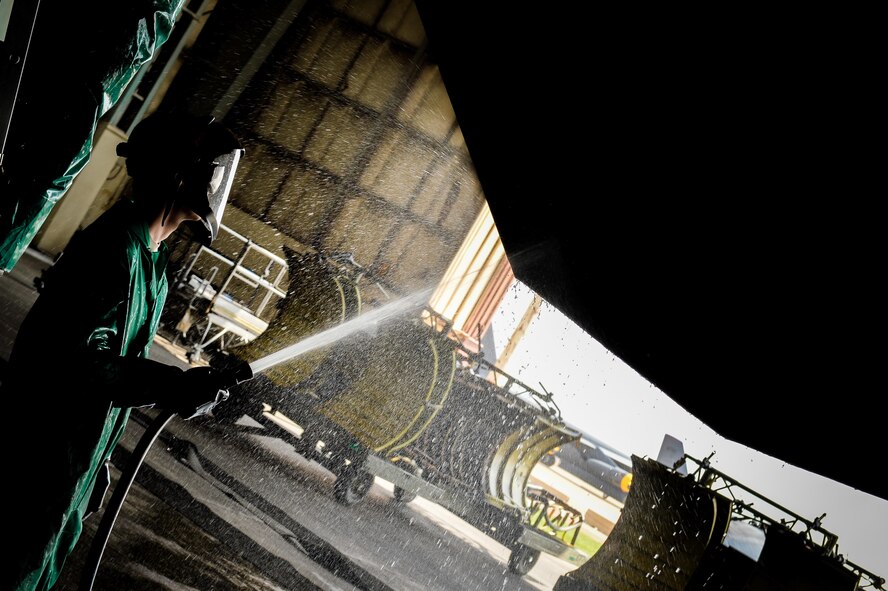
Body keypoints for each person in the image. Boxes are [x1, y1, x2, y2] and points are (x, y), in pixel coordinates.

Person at [1, 111, 245, 591]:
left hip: (71, 467)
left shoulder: (151, 261)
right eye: (211, 172)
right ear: (180, 174)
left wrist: (96, 465)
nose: (217, 186)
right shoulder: (114, 248)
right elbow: (79, 366)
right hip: (34, 465)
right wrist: (171, 384)